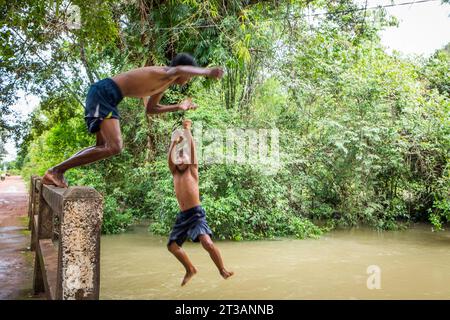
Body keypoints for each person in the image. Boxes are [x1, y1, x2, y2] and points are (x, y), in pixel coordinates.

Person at [42, 53, 224, 188]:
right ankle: (56, 171)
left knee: (103, 146)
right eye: (190, 75)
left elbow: (151, 110)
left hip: (107, 97)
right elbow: (179, 69)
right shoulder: (165, 72)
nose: (188, 79)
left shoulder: (163, 85)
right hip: (105, 93)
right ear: (185, 70)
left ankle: (57, 171)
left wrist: (178, 106)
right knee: (115, 147)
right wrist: (208, 72)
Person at [167, 119, 234, 286]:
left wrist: (186, 129)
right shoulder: (175, 174)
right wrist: (174, 142)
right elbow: (170, 159)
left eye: (184, 158)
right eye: (178, 158)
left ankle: (222, 270)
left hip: (196, 214)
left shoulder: (192, 170)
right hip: (183, 216)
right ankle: (190, 269)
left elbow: (192, 149)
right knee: (172, 246)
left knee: (207, 243)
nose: (181, 160)